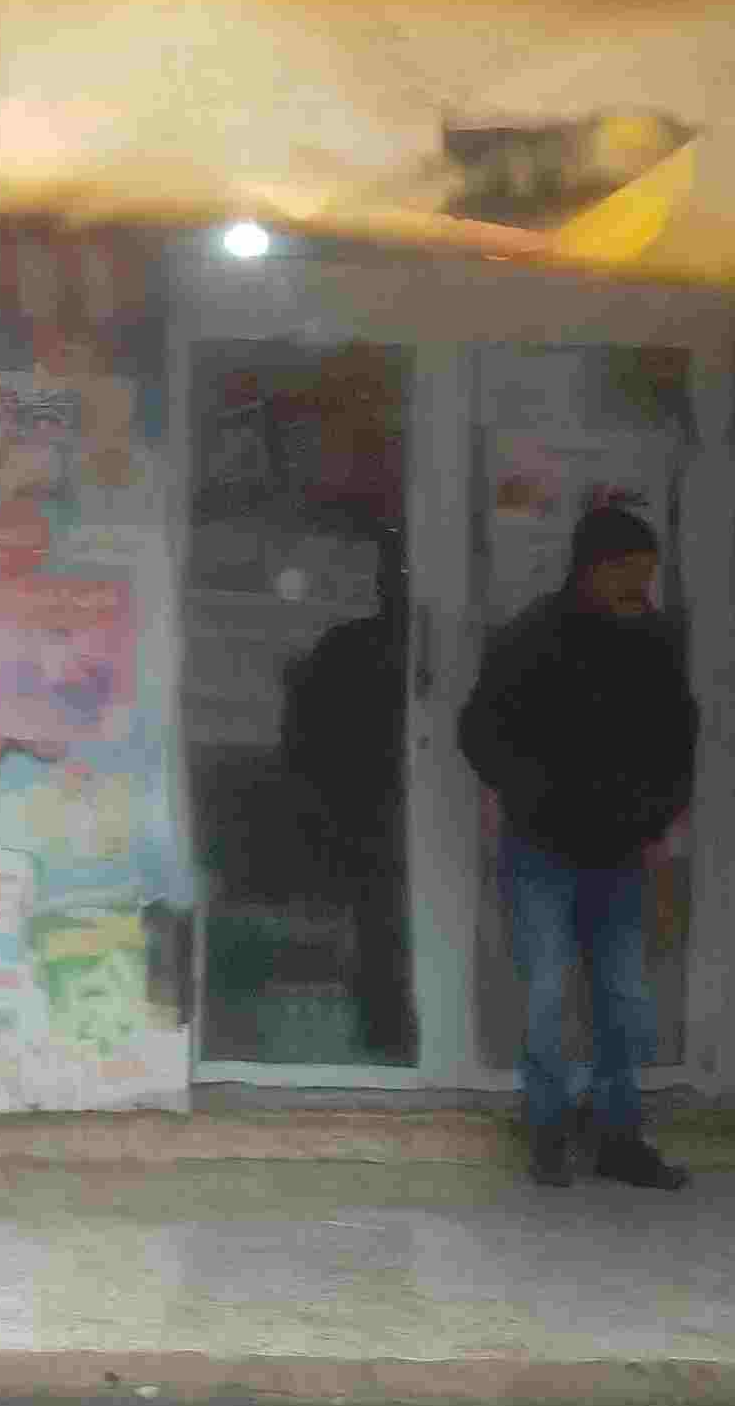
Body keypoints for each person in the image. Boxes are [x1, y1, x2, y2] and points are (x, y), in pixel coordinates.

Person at [458, 504, 697, 1189]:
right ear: (591, 569)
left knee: (624, 999)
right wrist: (534, 794)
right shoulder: (531, 637)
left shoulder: (654, 642)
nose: (641, 587)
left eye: (647, 574)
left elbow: (680, 739)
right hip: (543, 852)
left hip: (620, 855)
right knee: (546, 992)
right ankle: (548, 1130)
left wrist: (656, 818)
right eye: (630, 573)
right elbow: (479, 732)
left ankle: (619, 1137)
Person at [279, 531, 412, 1063]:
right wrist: (320, 812)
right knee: (382, 925)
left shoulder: (351, 645)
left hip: (378, 811)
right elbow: (304, 736)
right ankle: (389, 1037)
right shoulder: (351, 647)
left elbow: (300, 735)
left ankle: (389, 1037)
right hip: (370, 811)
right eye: (394, 576)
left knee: (383, 926)